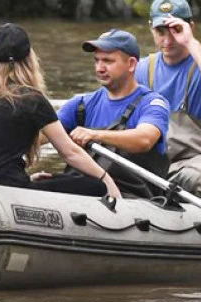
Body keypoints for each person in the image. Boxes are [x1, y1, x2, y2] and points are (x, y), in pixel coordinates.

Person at [0, 23, 122, 200]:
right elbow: (70, 152)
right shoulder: (30, 99)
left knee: (52, 178)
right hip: (9, 191)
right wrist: (106, 179)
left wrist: (29, 179)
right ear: (29, 58)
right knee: (94, 186)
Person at [135, 0, 201, 201]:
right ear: (151, 28)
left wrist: (191, 43)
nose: (167, 39)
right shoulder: (143, 69)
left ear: (190, 26)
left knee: (190, 179)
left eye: (176, 30)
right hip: (159, 165)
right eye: (160, 31)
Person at [57, 29, 171, 198]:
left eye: (108, 61)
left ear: (131, 64)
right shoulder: (80, 104)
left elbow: (145, 139)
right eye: (96, 61)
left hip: (135, 197)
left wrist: (94, 135)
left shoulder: (152, 103)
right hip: (85, 190)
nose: (99, 68)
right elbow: (43, 133)